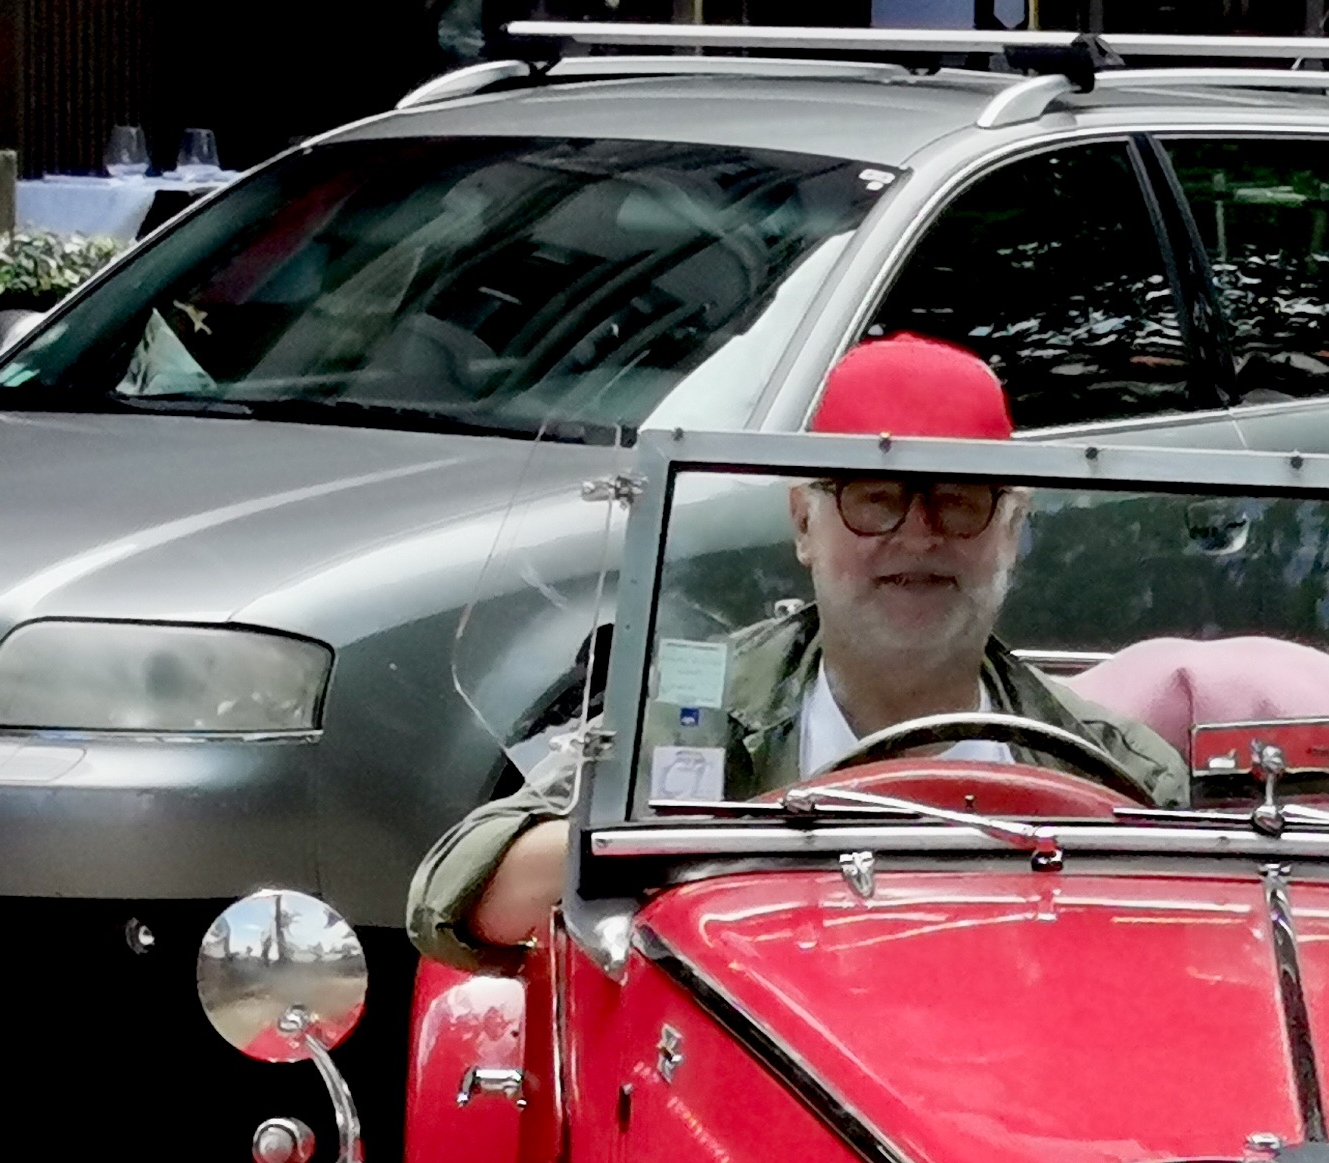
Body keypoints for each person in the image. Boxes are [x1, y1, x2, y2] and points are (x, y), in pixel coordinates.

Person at [407, 333, 1187, 974]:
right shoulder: (691, 718)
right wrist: (706, 847)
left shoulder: (1117, 774)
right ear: (804, 525)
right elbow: (455, 893)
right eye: (875, 498)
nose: (918, 535)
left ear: (1011, 533)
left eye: (960, 500)